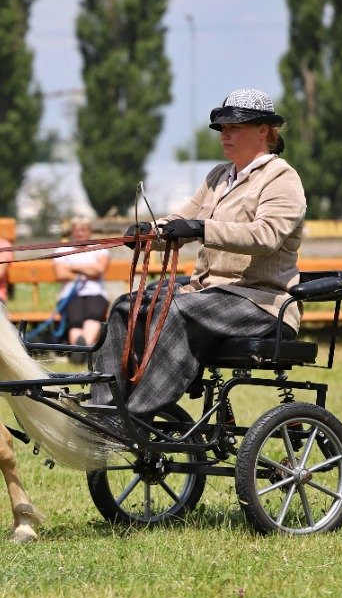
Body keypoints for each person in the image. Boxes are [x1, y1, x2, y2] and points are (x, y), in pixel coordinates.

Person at [92, 88, 306, 418]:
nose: (225, 135)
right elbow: (183, 219)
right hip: (209, 294)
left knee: (175, 310)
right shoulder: (218, 177)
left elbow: (266, 236)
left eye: (235, 128)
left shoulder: (282, 179)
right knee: (127, 306)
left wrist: (202, 228)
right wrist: (151, 233)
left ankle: (138, 414)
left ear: (264, 131)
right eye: (223, 129)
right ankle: (105, 409)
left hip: (261, 301)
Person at [53, 217, 111, 356]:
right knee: (75, 319)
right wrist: (87, 270)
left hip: (96, 293)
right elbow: (61, 274)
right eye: (76, 230)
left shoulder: (99, 249)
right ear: (72, 232)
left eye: (83, 230)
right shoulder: (62, 250)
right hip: (70, 294)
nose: (80, 233)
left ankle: (82, 350)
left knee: (93, 314)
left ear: (89, 231)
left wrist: (72, 267)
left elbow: (98, 270)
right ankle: (83, 350)